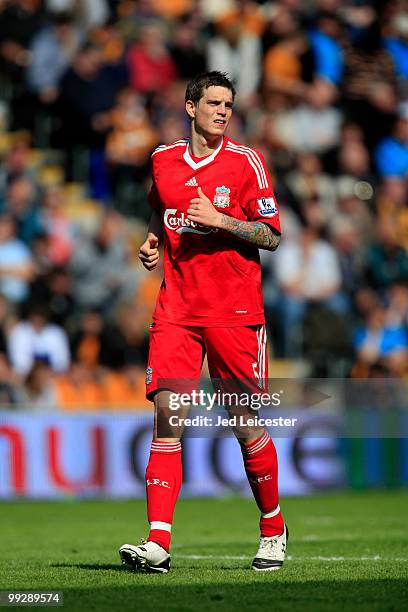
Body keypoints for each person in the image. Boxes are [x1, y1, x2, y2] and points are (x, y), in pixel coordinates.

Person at [119, 71, 287, 573]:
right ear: (190, 107)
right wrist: (153, 240)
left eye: (228, 105)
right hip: (177, 311)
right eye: (213, 102)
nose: (222, 111)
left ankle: (273, 528)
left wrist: (224, 222)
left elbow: (272, 236)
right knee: (168, 417)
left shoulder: (246, 163)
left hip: (234, 313)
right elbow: (159, 208)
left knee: (243, 422)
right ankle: (157, 543)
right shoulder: (163, 159)